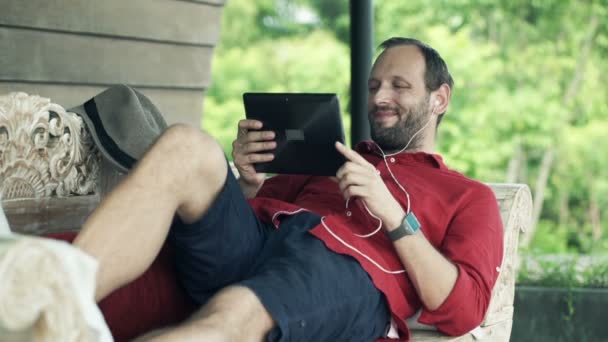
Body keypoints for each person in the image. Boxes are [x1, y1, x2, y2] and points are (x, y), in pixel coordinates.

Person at [73, 37, 503, 341]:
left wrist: (391, 212)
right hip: (263, 245)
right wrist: (248, 180)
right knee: (188, 145)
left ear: (439, 99)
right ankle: (53, 292)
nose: (379, 97)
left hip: (345, 270)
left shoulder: (467, 196)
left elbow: (464, 309)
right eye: (373, 86)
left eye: (399, 86)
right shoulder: (331, 156)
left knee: (237, 311)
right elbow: (248, 216)